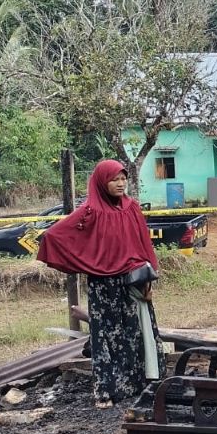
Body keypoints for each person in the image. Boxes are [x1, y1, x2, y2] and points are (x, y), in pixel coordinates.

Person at [36, 159, 163, 409]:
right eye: (114, 179)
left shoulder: (132, 208)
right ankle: (106, 390)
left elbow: (143, 245)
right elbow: (56, 235)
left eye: (123, 179)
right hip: (103, 288)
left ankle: (139, 385)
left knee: (136, 333)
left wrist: (150, 280)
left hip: (133, 283)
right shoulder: (90, 212)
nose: (120, 183)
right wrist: (86, 263)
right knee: (105, 337)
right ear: (102, 182)